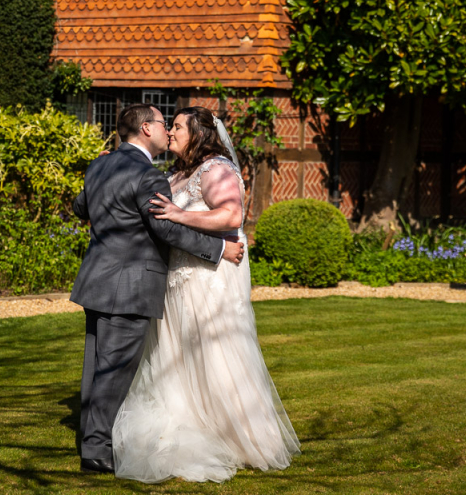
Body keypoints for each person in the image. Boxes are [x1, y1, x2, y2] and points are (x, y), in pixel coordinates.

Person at [111, 105, 300, 483]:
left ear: (198, 133)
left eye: (178, 126)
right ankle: (191, 423)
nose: (172, 132)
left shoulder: (217, 169)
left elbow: (231, 216)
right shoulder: (179, 174)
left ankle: (237, 436)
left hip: (210, 277)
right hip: (180, 276)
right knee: (179, 353)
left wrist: (178, 216)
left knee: (214, 351)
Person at [70, 103, 246, 475]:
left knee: (96, 364)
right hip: (130, 284)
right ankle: (97, 449)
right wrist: (218, 248)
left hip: (95, 280)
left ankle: (89, 435)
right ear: (146, 129)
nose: (168, 130)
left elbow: (80, 206)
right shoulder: (147, 174)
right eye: (164, 124)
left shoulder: (100, 164)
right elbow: (164, 228)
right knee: (115, 368)